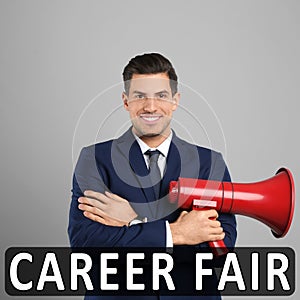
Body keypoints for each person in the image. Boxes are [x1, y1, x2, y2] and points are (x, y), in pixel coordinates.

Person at [68, 53, 237, 299]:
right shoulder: (95, 159)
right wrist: (178, 233)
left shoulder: (209, 163)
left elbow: (221, 249)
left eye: (161, 96)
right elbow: (87, 244)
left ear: (175, 101)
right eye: (140, 96)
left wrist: (133, 223)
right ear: (126, 102)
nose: (150, 106)